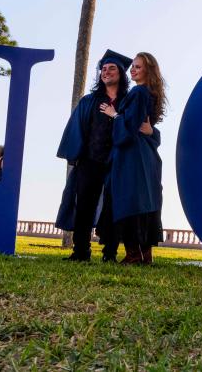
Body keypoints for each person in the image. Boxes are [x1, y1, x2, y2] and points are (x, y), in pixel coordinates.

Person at [55, 50, 157, 263]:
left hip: (118, 162)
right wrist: (77, 156)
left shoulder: (128, 99)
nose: (106, 72)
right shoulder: (90, 101)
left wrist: (154, 133)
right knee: (84, 205)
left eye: (111, 68)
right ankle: (81, 252)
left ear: (121, 72)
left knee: (112, 209)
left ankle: (109, 253)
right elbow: (77, 130)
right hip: (91, 160)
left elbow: (144, 127)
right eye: (103, 69)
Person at [102, 52, 166, 265]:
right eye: (133, 67)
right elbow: (145, 128)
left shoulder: (138, 92)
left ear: (148, 70)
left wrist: (114, 115)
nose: (133, 70)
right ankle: (145, 255)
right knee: (143, 202)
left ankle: (134, 254)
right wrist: (150, 132)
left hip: (132, 156)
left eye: (138, 67)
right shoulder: (149, 93)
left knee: (129, 201)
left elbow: (128, 129)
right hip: (144, 154)